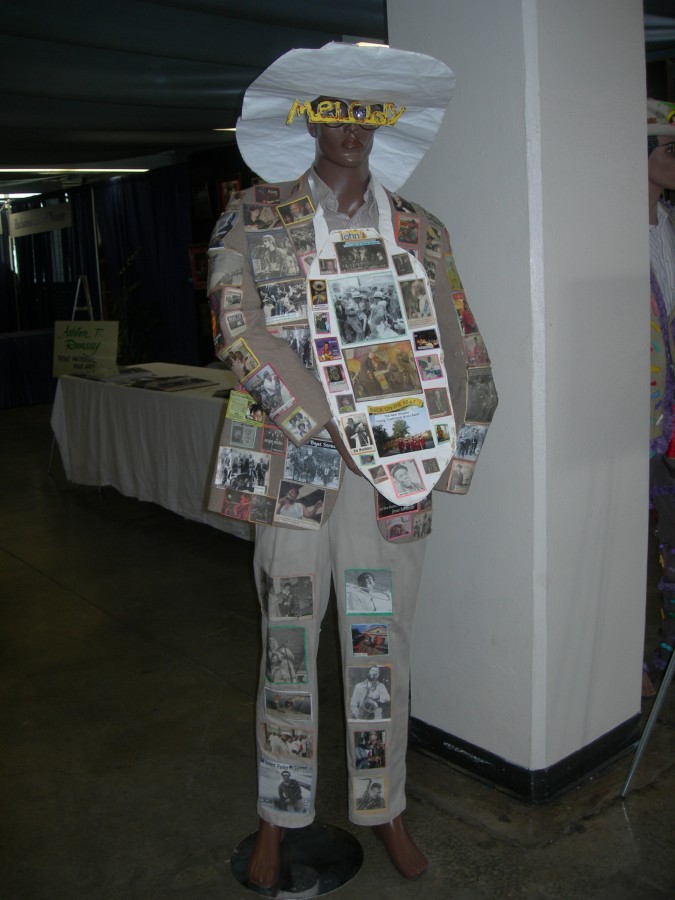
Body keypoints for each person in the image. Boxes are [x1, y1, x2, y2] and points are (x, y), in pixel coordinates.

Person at [207, 43, 497, 888]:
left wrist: (444, 449)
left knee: (381, 646)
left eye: (367, 112)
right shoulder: (255, 215)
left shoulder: (419, 229)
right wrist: (331, 424)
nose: (351, 128)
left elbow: (459, 344)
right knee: (287, 643)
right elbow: (238, 328)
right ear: (308, 120)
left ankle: (386, 807)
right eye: (334, 111)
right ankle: (279, 812)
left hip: (390, 481)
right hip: (296, 467)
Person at [646, 99, 675, 696]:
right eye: (670, 148)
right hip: (633, 412)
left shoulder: (668, 224)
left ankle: (663, 653)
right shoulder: (611, 230)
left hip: (669, 411)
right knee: (637, 538)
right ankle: (636, 661)